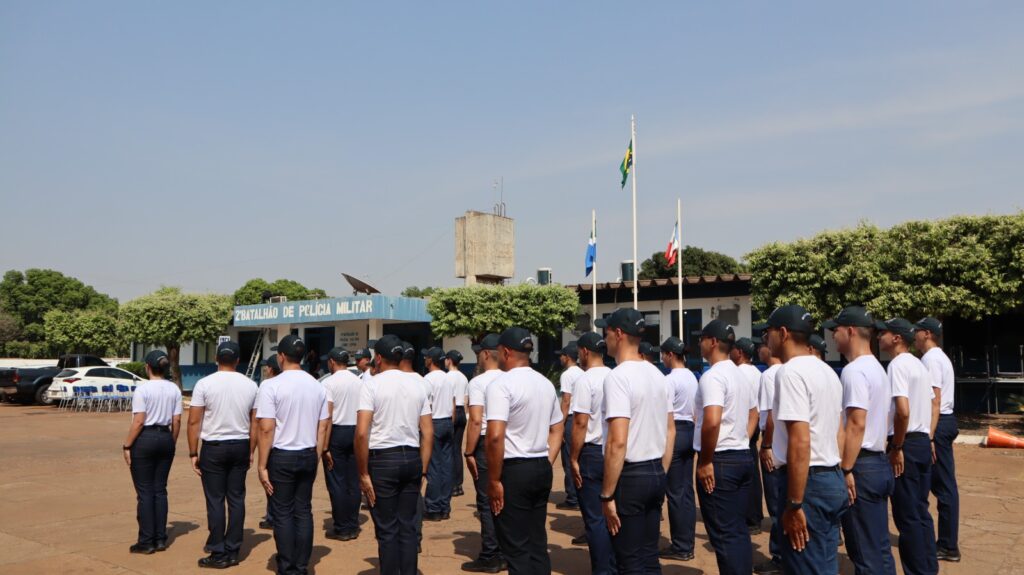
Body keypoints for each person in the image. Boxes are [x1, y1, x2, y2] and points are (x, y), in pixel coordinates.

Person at [760, 305, 846, 575]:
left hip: (808, 484)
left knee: (804, 565)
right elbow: (838, 430)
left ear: (783, 333)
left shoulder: (790, 373)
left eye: (769, 333)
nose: (766, 340)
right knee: (824, 564)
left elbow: (800, 442)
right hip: (830, 475)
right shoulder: (827, 371)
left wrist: (795, 503)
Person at [598, 308, 675, 573]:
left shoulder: (618, 377)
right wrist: (661, 470)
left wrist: (607, 495)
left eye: (606, 332)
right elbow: (670, 429)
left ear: (618, 334)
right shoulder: (656, 374)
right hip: (654, 469)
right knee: (648, 556)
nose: (604, 338)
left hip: (630, 476)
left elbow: (617, 442)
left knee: (628, 560)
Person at [824, 307, 896, 575]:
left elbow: (856, 423)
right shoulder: (877, 367)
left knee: (864, 552)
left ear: (851, 331)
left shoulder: (854, 371)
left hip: (861, 467)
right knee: (877, 546)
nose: (833, 336)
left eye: (836, 330)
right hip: (877, 461)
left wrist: (846, 469)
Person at [486, 326, 563, 574]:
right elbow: (557, 427)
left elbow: (495, 436)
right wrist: (546, 459)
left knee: (516, 548)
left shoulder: (501, 385)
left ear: (506, 351)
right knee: (537, 543)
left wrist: (495, 479)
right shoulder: (545, 383)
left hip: (514, 469)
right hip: (540, 464)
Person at [356, 335, 434, 575]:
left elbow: (361, 433)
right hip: (411, 458)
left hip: (383, 460)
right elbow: (428, 432)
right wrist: (422, 469)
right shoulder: (418, 383)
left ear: (378, 358)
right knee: (408, 526)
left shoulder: (372, 384)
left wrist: (363, 473)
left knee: (387, 528)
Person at [255, 335, 331, 575]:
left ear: (281, 357)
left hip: (282, 455)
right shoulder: (317, 385)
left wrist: (262, 465)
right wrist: (316, 454)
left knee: (283, 512)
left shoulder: (271, 385)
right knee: (303, 510)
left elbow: (266, 428)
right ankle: (301, 565)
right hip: (308, 453)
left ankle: (288, 566)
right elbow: (323, 426)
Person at [877, 318, 940, 575]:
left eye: (883, 332)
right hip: (922, 441)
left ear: (896, 338)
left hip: (907, 444)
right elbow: (932, 402)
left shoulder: (898, 365)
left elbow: (902, 411)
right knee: (920, 511)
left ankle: (917, 570)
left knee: (907, 515)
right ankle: (928, 566)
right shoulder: (918, 365)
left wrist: (897, 447)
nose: (879, 336)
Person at [187, 341, 259, 568]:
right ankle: (233, 548)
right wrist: (251, 449)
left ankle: (218, 549)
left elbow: (194, 421)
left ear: (217, 359)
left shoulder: (204, 384)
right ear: (238, 360)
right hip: (240, 444)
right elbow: (255, 422)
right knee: (236, 499)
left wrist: (192, 452)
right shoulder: (251, 385)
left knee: (215, 500)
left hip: (214, 447)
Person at [693, 319, 756, 575]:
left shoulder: (714, 376)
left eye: (702, 338)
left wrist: (706, 461)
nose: (699, 343)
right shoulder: (739, 375)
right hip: (741, 456)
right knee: (737, 531)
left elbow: (712, 420)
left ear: (713, 342)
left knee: (724, 535)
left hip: (720, 461)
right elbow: (754, 414)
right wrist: (742, 439)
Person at [123, 350, 182, 554]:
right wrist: (171, 441)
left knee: (145, 492)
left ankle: (146, 540)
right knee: (160, 490)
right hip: (165, 436)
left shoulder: (143, 390)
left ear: (147, 367)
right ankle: (160, 538)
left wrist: (127, 445)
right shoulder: (174, 389)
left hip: (146, 438)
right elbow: (177, 420)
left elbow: (139, 420)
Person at [568, 332, 615, 575]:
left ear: (585, 351)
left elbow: (580, 423)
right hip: (615, 453)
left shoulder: (585, 381)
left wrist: (574, 458)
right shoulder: (615, 375)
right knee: (613, 516)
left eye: (578, 351)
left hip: (593, 453)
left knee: (595, 519)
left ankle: (603, 571)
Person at [461, 334, 507, 573]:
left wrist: (469, 452)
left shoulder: (478, 382)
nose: (477, 355)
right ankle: (506, 550)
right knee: (505, 499)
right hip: (509, 444)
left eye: (479, 352)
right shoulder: (511, 378)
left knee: (487, 501)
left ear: (487, 354)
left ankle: (491, 554)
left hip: (486, 444)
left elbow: (476, 421)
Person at [916, 317, 960, 563]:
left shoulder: (931, 359)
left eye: (918, 331)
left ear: (928, 334)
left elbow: (934, 399)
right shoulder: (938, 357)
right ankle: (944, 541)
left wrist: (929, 436)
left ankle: (947, 545)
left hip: (938, 423)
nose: (915, 336)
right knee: (942, 484)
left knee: (943, 486)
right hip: (943, 421)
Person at [658, 336, 699, 562]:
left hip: (675, 432)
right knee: (686, 491)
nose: (662, 358)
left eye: (663, 354)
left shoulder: (670, 380)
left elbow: (667, 417)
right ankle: (687, 542)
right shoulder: (693, 377)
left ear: (671, 355)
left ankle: (681, 546)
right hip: (690, 432)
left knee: (674, 492)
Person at [321, 347, 364, 541]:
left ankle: (341, 526)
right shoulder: (359, 381)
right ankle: (353, 524)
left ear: (332, 361)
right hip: (355, 431)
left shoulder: (328, 383)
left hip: (337, 432)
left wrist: (325, 446)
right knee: (353, 480)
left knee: (336, 481)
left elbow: (328, 416)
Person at [754, 338, 785, 574]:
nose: (759, 350)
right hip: (789, 444)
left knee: (776, 504)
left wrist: (766, 446)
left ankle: (779, 555)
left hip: (774, 444)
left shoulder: (769, 375)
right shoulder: (789, 370)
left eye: (762, 345)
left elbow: (771, 416)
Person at [732, 336, 765, 533]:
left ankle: (750, 517)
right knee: (753, 471)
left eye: (735, 349)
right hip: (755, 425)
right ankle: (755, 514)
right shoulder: (757, 373)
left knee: (745, 474)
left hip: (744, 426)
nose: (732, 352)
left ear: (741, 353)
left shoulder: (739, 373)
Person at [422, 346, 455, 521]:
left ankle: (434, 507)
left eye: (426, 357)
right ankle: (445, 506)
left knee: (434, 467)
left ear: (431, 360)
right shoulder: (448, 378)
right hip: (447, 421)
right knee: (446, 466)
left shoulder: (428, 379)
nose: (424, 359)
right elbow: (453, 402)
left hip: (434, 422)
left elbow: (425, 404)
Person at [555, 341, 583, 512]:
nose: (560, 358)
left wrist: (560, 422)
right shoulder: (582, 372)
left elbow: (566, 400)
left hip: (571, 418)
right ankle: (579, 493)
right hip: (582, 417)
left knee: (568, 459)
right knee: (579, 457)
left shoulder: (567, 375)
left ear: (567, 357)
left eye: (562, 355)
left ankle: (572, 497)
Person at [259, 354, 282, 531]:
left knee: (270, 482)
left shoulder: (267, 386)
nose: (265, 369)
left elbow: (264, 424)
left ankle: (273, 516)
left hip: (273, 442)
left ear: (271, 369)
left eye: (267, 366)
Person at [447, 350, 470, 498]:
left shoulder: (447, 377)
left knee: (449, 449)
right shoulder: (463, 377)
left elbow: (450, 399)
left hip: (452, 412)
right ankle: (458, 484)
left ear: (449, 360)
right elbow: (466, 399)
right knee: (457, 449)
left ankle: (451, 484)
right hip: (462, 412)